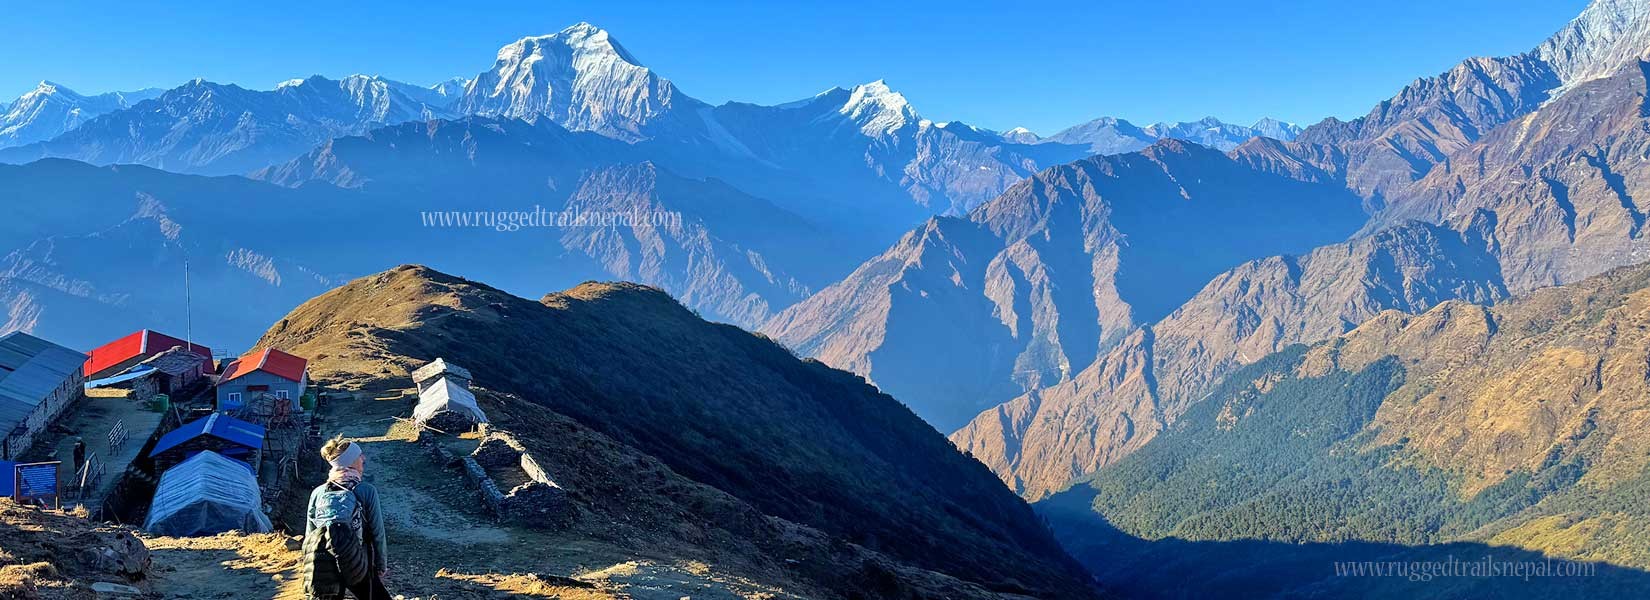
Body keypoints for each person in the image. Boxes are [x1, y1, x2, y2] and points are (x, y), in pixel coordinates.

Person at [301, 437, 390, 600]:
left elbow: (310, 535)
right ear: (349, 462)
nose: (363, 459)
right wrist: (381, 565)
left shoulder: (318, 493)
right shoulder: (366, 491)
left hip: (325, 562)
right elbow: (378, 533)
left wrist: (310, 566)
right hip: (357, 561)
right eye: (359, 456)